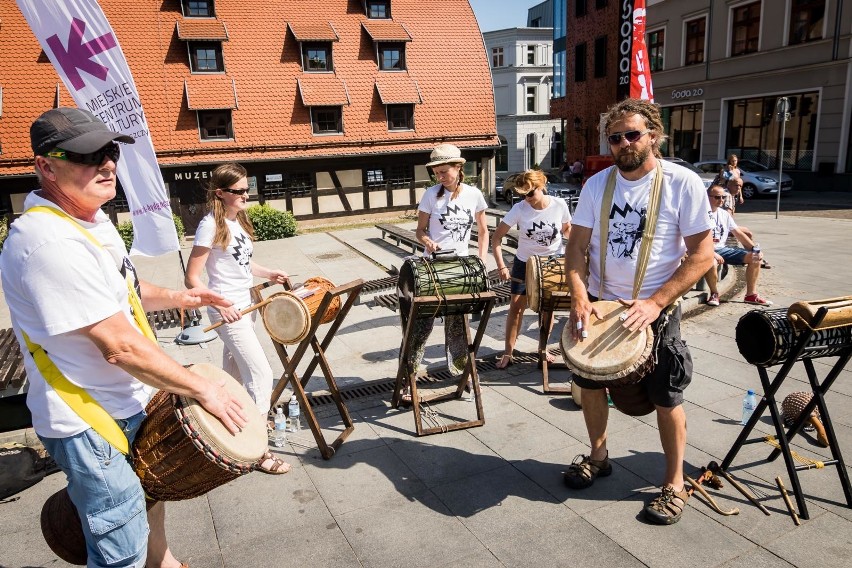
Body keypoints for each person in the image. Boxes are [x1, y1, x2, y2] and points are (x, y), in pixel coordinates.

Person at [0, 107, 248, 568]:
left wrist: (180, 296)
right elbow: (120, 345)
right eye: (88, 154)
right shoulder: (49, 241)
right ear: (45, 166)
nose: (108, 163)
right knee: (121, 549)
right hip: (88, 418)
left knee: (147, 507)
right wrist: (203, 389)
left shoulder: (90, 221)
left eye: (109, 151)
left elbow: (123, 290)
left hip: (117, 402)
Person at [563, 99, 714, 525]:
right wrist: (579, 295)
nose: (624, 143)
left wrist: (655, 302)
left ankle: (674, 483)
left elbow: (703, 257)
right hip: (601, 307)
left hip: (657, 311)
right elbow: (576, 249)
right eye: (615, 137)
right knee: (589, 387)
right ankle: (599, 456)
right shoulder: (596, 186)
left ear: (654, 135)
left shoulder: (683, 183)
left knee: (667, 397)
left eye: (633, 134)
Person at [184, 163, 292, 474]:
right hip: (227, 310)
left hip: (245, 306)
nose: (247, 194)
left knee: (230, 377)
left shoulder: (237, 222)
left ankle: (224, 431)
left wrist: (268, 272)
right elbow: (193, 277)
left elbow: (243, 264)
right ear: (220, 193)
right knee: (260, 374)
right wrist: (219, 303)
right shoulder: (209, 226)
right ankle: (258, 449)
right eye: (239, 191)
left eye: (248, 188)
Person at [401, 144, 488, 400]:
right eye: (436, 173)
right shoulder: (430, 195)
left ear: (458, 168)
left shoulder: (474, 195)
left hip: (461, 268)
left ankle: (464, 374)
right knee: (420, 325)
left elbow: (483, 232)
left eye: (444, 172)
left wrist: (482, 261)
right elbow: (420, 230)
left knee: (459, 325)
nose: (439, 177)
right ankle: (408, 378)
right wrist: (427, 242)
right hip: (433, 266)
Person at [492, 170, 571, 369]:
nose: (526, 199)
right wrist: (501, 265)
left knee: (548, 309)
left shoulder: (559, 205)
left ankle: (543, 350)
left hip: (551, 264)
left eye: (530, 194)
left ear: (541, 185)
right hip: (524, 264)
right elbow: (496, 238)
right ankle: (508, 352)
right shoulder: (519, 209)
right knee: (516, 309)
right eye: (522, 195)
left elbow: (568, 230)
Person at [704, 185, 772, 307]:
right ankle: (714, 293)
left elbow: (738, 233)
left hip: (722, 249)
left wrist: (755, 249)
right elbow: (697, 241)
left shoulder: (724, 214)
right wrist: (713, 253)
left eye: (723, 197)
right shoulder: (701, 214)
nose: (721, 200)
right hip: (706, 250)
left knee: (755, 257)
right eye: (717, 197)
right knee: (712, 262)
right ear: (707, 197)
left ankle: (751, 295)